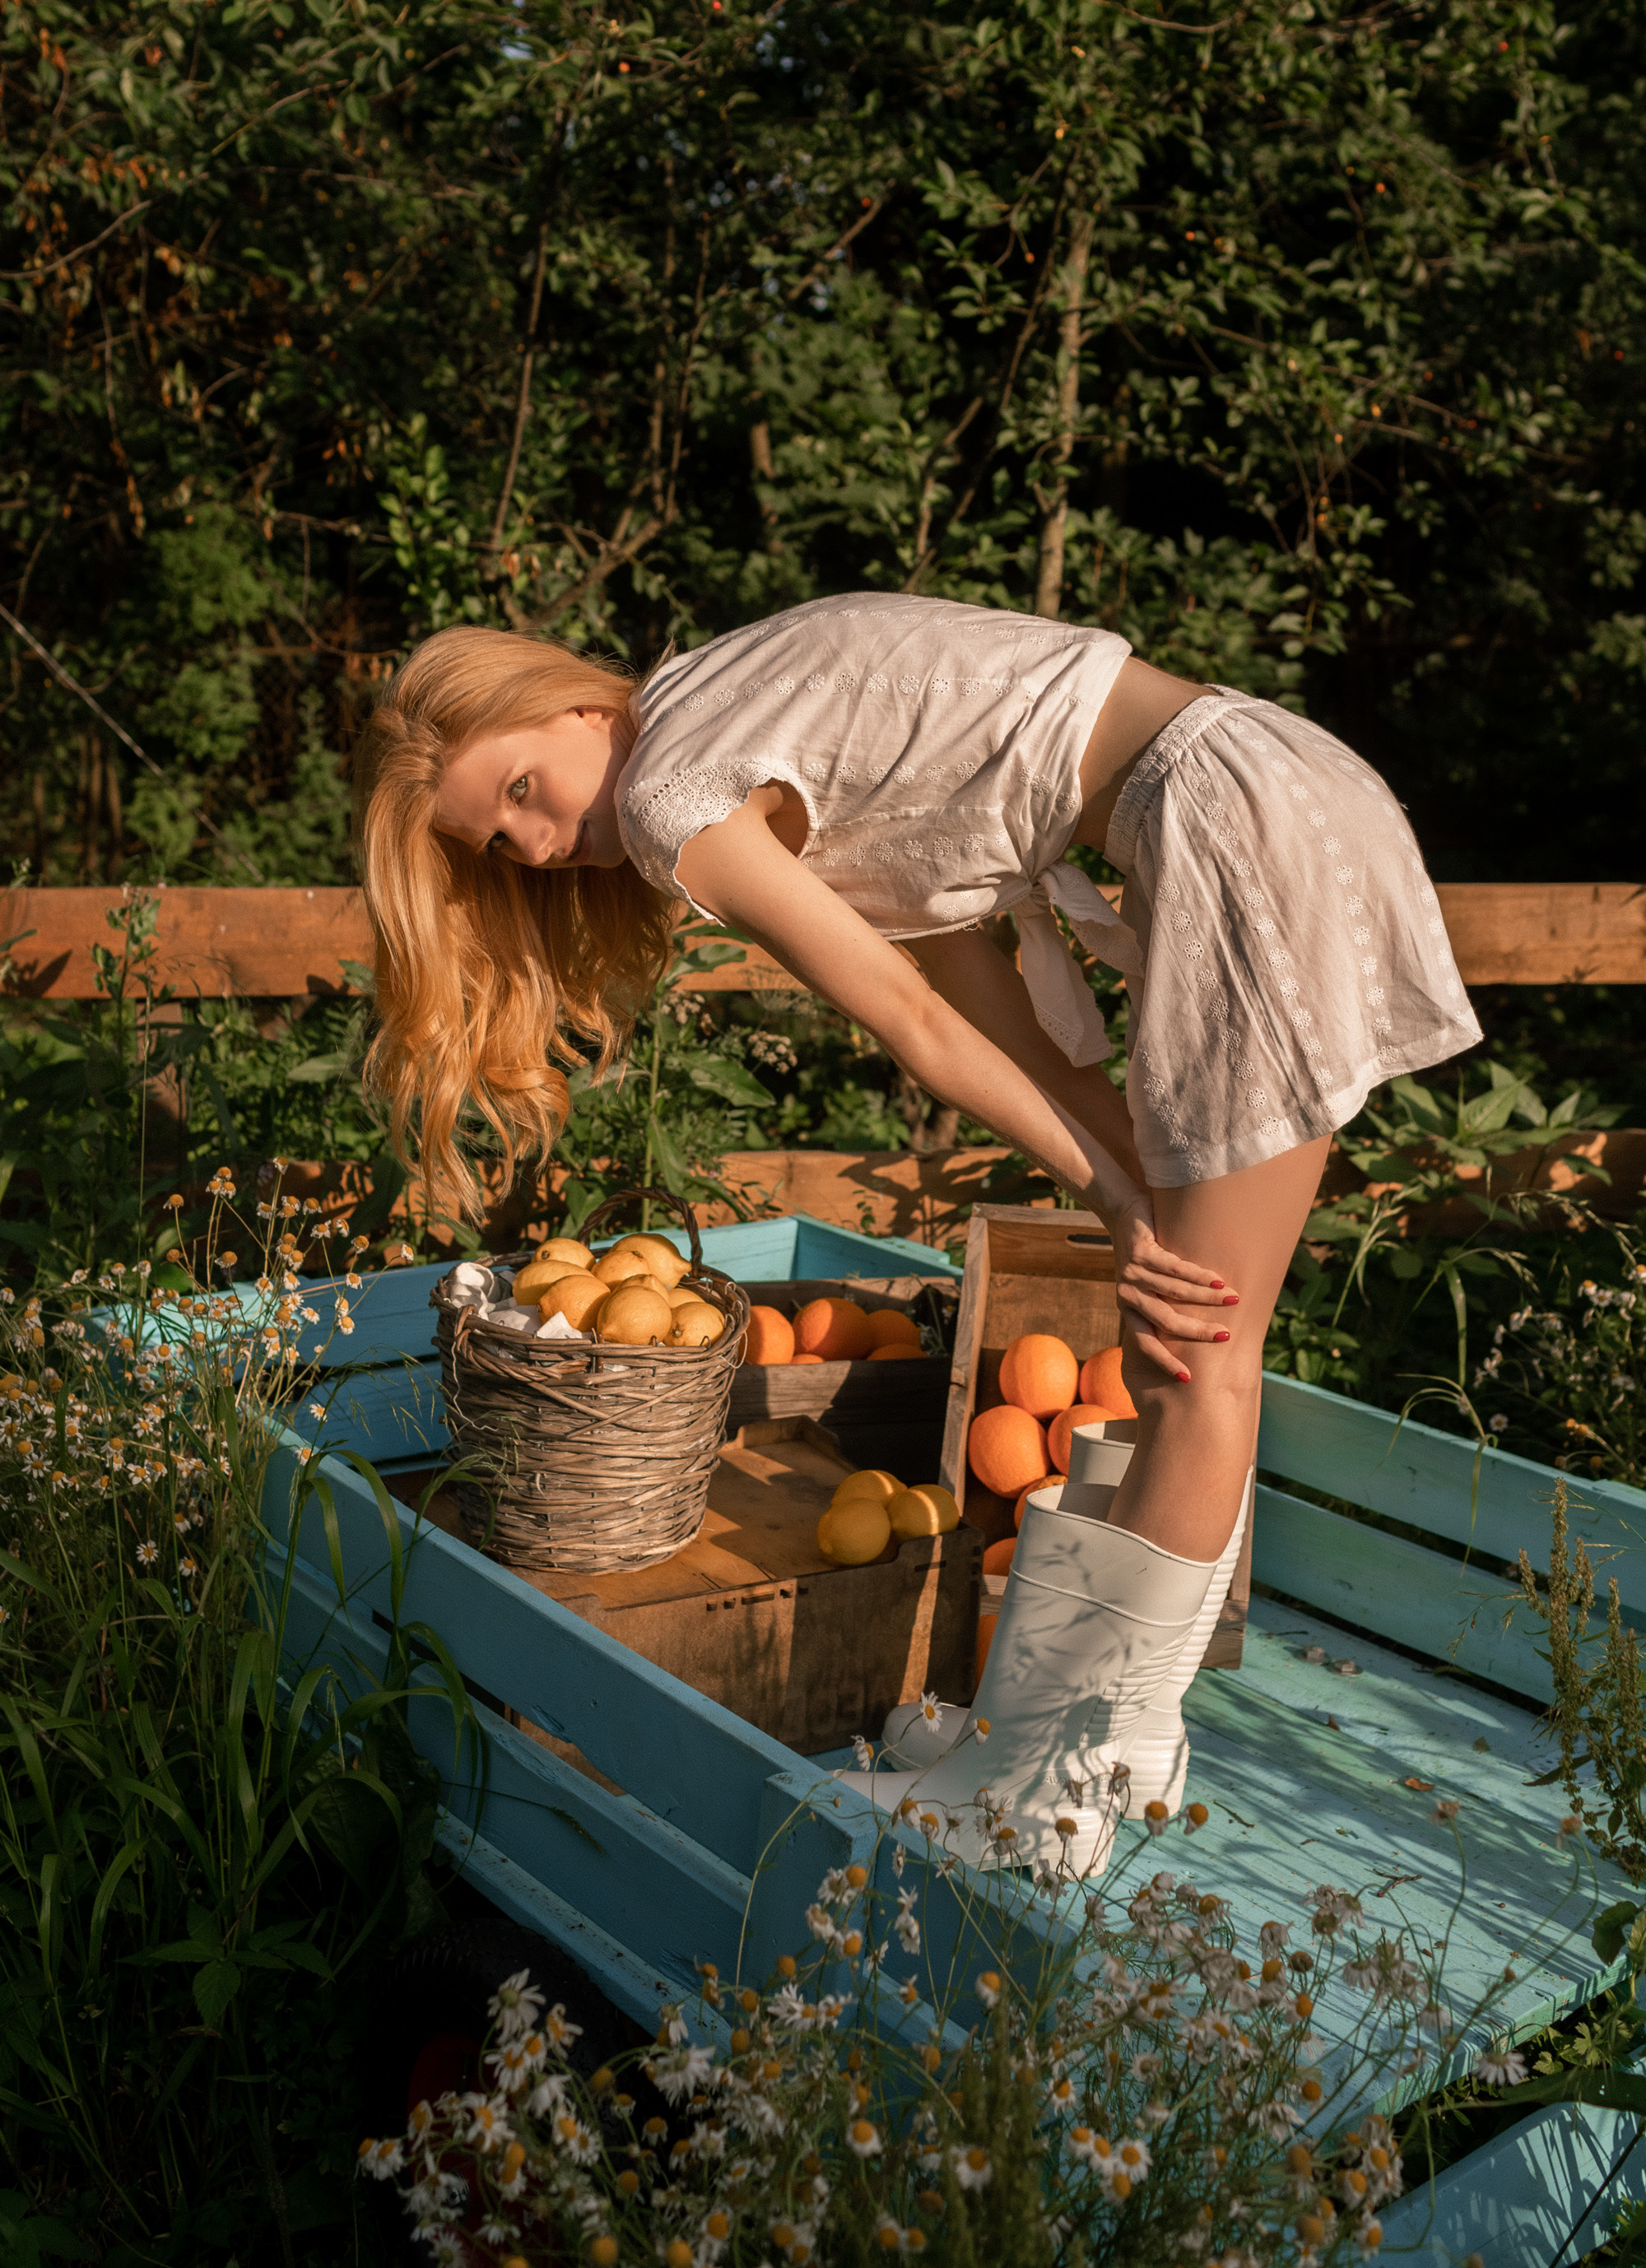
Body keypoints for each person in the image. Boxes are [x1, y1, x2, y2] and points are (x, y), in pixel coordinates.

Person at [353, 593, 1480, 1871]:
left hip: (1238, 817)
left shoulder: (672, 791)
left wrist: (1119, 1199)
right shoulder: (737, 712)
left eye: (520, 790)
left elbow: (915, 1022)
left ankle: (1042, 1792)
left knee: (1193, 1360)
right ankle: (1093, 1738)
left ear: (566, 705)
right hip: (1263, 786)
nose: (536, 843)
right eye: (502, 844)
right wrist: (1121, 1179)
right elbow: (982, 998)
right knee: (1182, 1343)